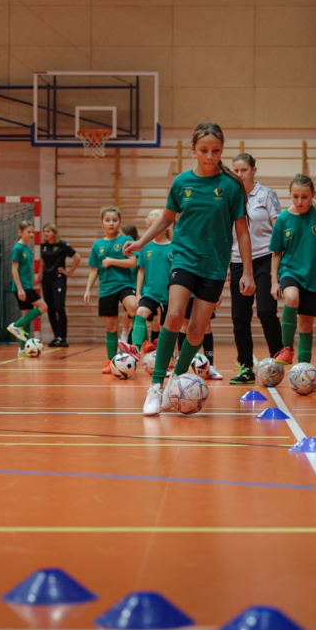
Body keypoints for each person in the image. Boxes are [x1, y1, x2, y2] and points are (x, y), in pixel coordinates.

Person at [124, 122, 254, 416]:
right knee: (173, 315)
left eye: (216, 150)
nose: (210, 156)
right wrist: (141, 242)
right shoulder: (182, 182)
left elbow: (242, 231)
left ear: (222, 150)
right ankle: (156, 386)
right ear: (193, 149)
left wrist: (246, 271)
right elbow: (166, 218)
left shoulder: (231, 186)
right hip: (183, 257)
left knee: (196, 330)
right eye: (204, 150)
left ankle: (176, 380)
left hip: (215, 264)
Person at [227, 153, 284, 383]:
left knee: (266, 311)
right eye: (236, 170)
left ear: (254, 170)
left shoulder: (266, 194)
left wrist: (281, 263)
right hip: (237, 260)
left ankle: (277, 359)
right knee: (239, 317)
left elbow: (278, 229)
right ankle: (245, 368)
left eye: (244, 170)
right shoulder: (230, 197)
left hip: (265, 258)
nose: (240, 174)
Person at [271, 173, 316, 366]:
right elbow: (276, 253)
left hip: (311, 277)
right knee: (291, 298)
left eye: (305, 197)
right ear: (290, 195)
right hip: (289, 271)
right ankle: (286, 349)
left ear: (313, 194)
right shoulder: (283, 219)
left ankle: (304, 368)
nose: (300, 201)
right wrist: (274, 282)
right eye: (295, 196)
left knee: (306, 326)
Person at [83, 206, 137, 373]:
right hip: (106, 289)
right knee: (111, 327)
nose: (111, 223)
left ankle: (138, 347)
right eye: (107, 220)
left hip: (125, 285)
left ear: (119, 222)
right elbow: (94, 270)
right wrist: (88, 289)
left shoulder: (126, 240)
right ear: (102, 223)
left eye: (114, 220)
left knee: (134, 308)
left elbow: (133, 262)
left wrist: (112, 261)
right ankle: (111, 361)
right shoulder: (97, 244)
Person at [127, 209, 172, 358]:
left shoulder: (173, 247)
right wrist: (138, 293)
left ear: (165, 226)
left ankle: (167, 356)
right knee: (140, 313)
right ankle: (135, 349)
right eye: (150, 226)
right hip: (150, 292)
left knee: (165, 327)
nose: (153, 229)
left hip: (168, 294)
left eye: (156, 226)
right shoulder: (145, 246)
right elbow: (141, 271)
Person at [6, 221, 48, 349]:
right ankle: (16, 326)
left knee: (27, 317)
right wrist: (20, 288)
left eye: (33, 232)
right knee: (43, 307)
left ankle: (22, 349)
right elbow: (14, 269)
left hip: (27, 285)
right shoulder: (18, 248)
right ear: (20, 232)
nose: (31, 234)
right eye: (28, 232)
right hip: (23, 287)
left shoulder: (27, 249)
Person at [39, 223, 79, 347]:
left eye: (48, 231)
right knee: (49, 308)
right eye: (44, 231)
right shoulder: (43, 246)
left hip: (58, 279)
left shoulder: (62, 245)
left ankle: (64, 337)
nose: (45, 233)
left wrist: (69, 272)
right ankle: (57, 337)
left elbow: (77, 257)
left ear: (54, 233)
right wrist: (39, 277)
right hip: (46, 279)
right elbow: (42, 262)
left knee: (59, 307)